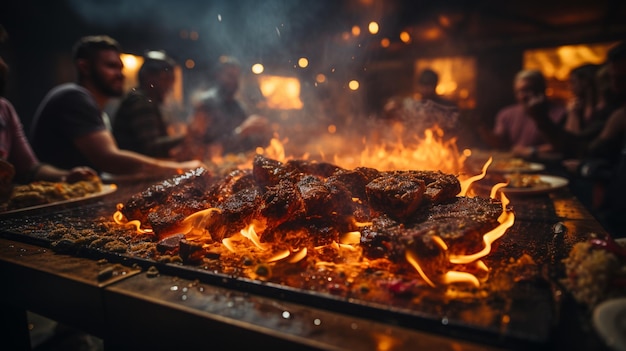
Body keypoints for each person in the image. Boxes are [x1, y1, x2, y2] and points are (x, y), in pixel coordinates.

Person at [29, 35, 204, 177]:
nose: (120, 75)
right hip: (55, 199)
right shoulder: (74, 96)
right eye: (111, 66)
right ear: (84, 67)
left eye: (120, 68)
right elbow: (110, 158)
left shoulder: (96, 109)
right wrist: (180, 168)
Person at [1, 55, 96, 189]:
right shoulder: (73, 96)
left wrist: (66, 176)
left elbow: (30, 169)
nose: (3, 64)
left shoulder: (5, 109)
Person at [179, 55, 271, 160]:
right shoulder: (206, 104)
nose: (234, 81)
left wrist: (261, 133)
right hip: (210, 168)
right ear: (218, 75)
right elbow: (202, 149)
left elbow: (247, 143)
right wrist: (242, 131)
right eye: (230, 76)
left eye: (236, 77)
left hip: (237, 166)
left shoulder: (239, 107)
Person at [478, 69, 567, 158]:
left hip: (548, 167)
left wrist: (531, 151)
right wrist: (482, 129)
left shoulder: (560, 113)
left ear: (542, 90)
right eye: (519, 91)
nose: (523, 96)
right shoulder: (507, 114)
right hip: (515, 166)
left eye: (529, 90)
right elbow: (500, 142)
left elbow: (563, 146)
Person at [112, 50, 184, 158]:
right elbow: (151, 147)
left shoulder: (146, 100)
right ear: (149, 77)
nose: (169, 87)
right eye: (165, 79)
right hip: (131, 172)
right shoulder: (141, 101)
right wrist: (186, 136)